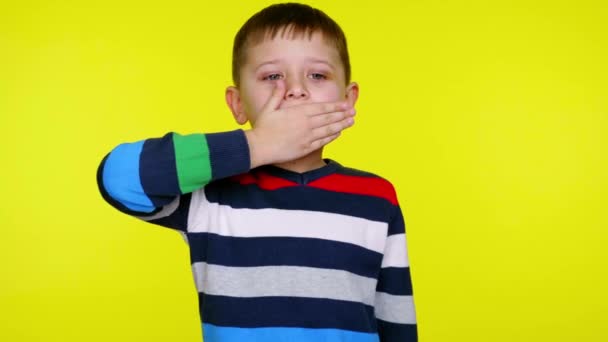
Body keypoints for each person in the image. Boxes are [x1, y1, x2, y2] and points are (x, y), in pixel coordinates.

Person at [96, 2, 417, 341]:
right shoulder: (211, 197)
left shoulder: (377, 197)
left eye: (318, 75)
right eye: (272, 76)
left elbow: (395, 316)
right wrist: (258, 144)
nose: (296, 89)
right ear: (237, 104)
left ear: (348, 100)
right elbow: (118, 177)